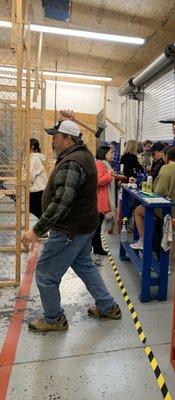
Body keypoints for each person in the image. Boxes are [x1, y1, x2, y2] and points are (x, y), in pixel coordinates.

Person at [21, 114, 121, 333]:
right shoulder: (81, 154)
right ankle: (108, 306)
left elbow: (61, 203)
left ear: (67, 139)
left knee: (46, 273)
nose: (52, 141)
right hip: (83, 226)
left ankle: (54, 318)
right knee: (85, 265)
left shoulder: (73, 162)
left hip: (70, 229)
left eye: (55, 137)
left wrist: (37, 230)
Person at [130, 145, 175, 250]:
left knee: (138, 211)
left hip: (164, 210)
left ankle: (143, 241)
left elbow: (158, 191)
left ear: (165, 156)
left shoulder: (166, 168)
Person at [91, 145, 116, 255]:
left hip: (101, 199)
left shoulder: (103, 164)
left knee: (97, 226)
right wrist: (109, 175)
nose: (112, 155)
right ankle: (97, 247)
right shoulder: (100, 164)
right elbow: (99, 180)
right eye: (110, 152)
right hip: (99, 200)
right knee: (97, 227)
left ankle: (96, 246)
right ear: (104, 154)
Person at [29, 138, 48, 218]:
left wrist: (25, 182)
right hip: (40, 189)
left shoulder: (34, 158)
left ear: (32, 147)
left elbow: (30, 176)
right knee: (40, 213)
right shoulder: (36, 157)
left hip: (37, 190)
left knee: (39, 212)